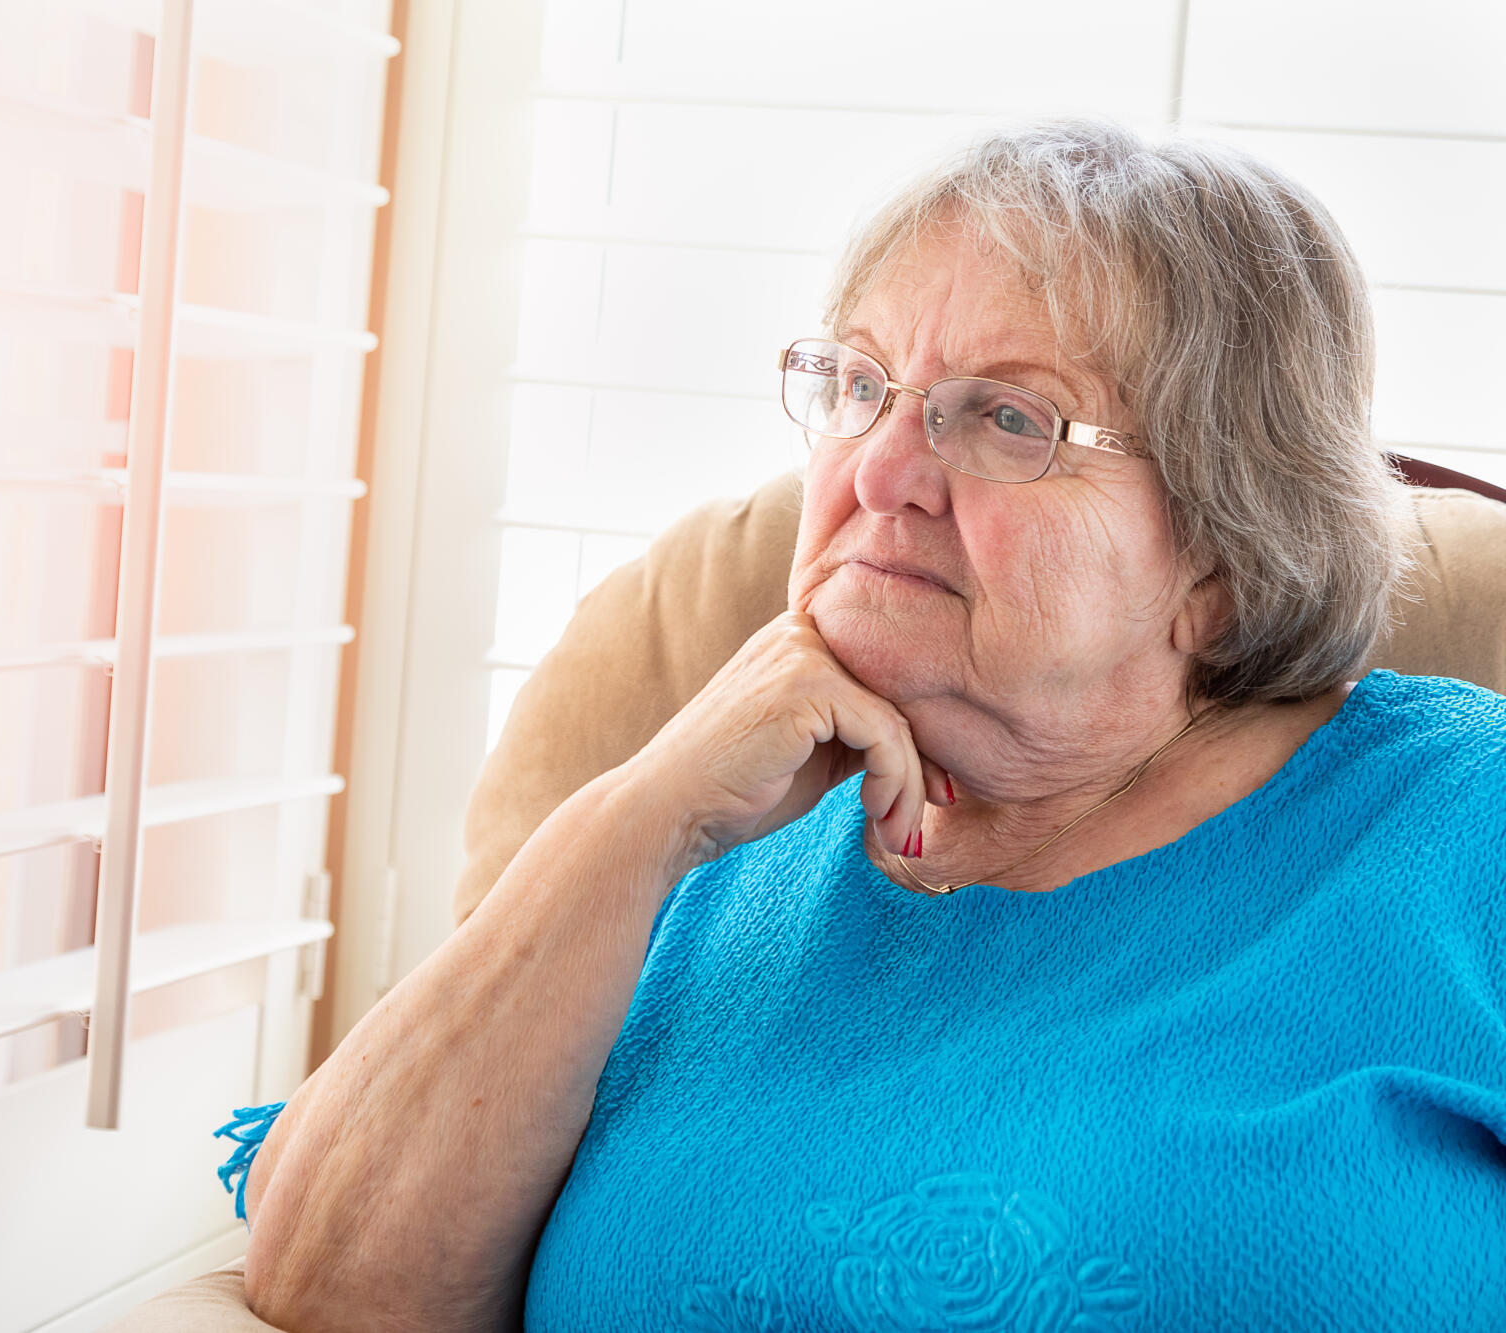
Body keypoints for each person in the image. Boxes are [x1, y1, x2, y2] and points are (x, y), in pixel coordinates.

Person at [212, 118, 1506, 1331]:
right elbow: (329, 1283)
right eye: (864, 384)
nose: (878, 472)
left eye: (1007, 418)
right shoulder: (692, 851)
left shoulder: (1463, 825)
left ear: (1223, 549)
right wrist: (639, 820)